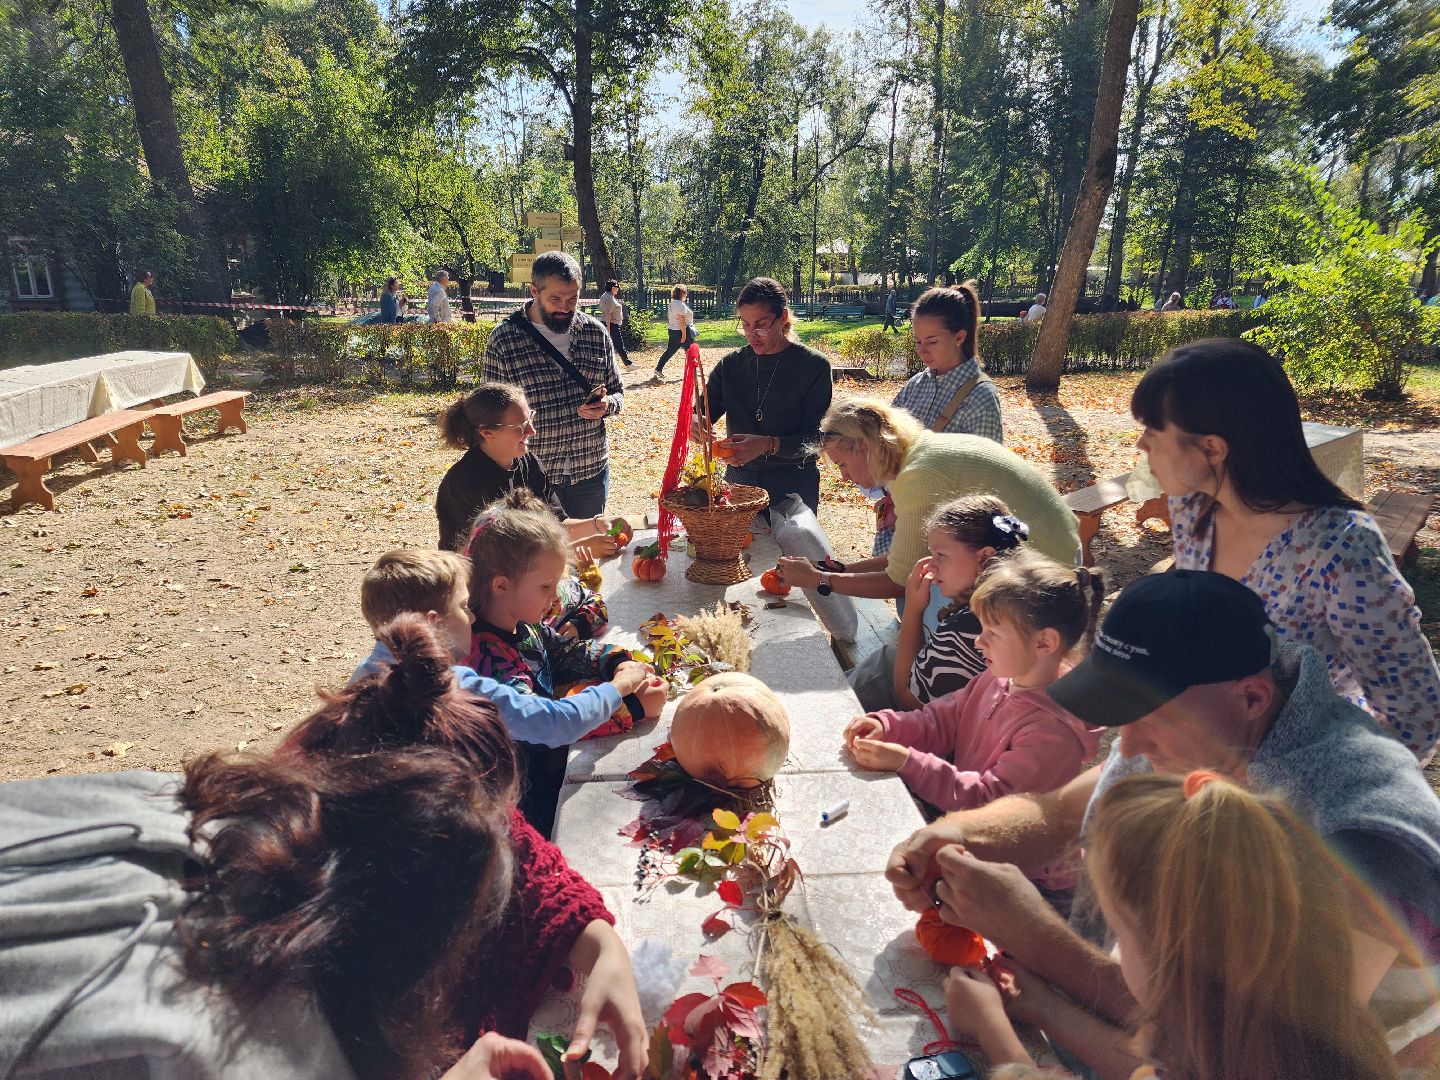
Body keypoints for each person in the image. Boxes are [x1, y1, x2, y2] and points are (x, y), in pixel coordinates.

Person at [885, 571, 1440, 1074]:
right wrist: (958, 834)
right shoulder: (1194, 726)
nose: (1129, 746)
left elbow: (1238, 1056)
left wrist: (1034, 937)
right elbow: (1056, 812)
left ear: (1251, 697)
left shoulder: (1362, 832)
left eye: (1147, 719)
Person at [271, 616, 650, 1079]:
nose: (500, 838)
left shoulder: (447, 816)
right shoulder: (295, 980)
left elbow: (537, 873)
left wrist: (602, 946)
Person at [946, 772, 1401, 1080]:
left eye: (1120, 935)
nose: (1115, 954)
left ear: (1178, 966)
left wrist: (993, 1031)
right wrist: (1043, 1007)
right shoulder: (1295, 1035)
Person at [1132, 338, 1440, 761]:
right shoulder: (1192, 508)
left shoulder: (1341, 548)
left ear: (1213, 449)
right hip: (1205, 753)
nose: (1141, 447)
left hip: (1298, 781)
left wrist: (1323, 784)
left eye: (1152, 432)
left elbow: (1415, 716)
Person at [844, 550, 1103, 904]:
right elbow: (940, 720)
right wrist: (886, 725)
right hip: (972, 832)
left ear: (1044, 643)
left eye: (992, 633)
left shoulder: (1053, 732)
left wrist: (906, 761)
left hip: (1028, 881)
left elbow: (988, 803)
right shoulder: (999, 678)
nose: (979, 642)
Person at [353, 549, 656, 760]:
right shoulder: (455, 685)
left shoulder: (362, 679)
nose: (472, 618)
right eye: (463, 607)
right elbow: (555, 723)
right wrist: (620, 689)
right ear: (433, 623)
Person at [482, 251, 623, 518]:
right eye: (555, 299)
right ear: (534, 290)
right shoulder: (505, 340)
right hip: (532, 477)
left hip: (590, 472)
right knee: (539, 558)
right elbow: (487, 413)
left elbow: (618, 392)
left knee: (588, 556)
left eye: (573, 298)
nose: (565, 307)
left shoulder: (595, 333)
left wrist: (607, 405)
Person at [434, 382, 626, 564]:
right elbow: (491, 563)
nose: (532, 430)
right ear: (487, 433)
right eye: (520, 426)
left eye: (530, 419)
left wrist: (598, 523)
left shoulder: (528, 462)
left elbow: (555, 524)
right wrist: (575, 551)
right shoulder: (463, 485)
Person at [694, 276, 832, 513]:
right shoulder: (731, 365)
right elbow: (700, 410)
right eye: (745, 324)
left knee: (791, 551)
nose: (751, 333)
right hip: (739, 480)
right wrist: (695, 421)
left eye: (761, 324)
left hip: (794, 483)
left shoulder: (813, 366)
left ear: (783, 317)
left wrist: (769, 445)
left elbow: (816, 440)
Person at [893, 496, 1030, 711]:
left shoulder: (963, 632)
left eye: (941, 555)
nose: (931, 566)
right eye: (931, 554)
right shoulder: (1023, 597)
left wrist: (912, 609)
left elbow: (909, 699)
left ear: (985, 557)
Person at [654, 284, 695, 379]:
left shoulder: (672, 303)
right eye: (685, 292)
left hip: (673, 330)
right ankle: (691, 372)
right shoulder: (680, 305)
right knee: (690, 351)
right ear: (681, 293)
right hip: (681, 331)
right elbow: (681, 321)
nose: (686, 294)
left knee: (670, 350)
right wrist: (684, 335)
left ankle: (658, 368)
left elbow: (670, 317)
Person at [599, 278, 633, 367]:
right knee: (619, 344)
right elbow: (608, 314)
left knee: (611, 345)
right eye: (617, 286)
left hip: (611, 324)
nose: (618, 288)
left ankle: (605, 364)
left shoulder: (608, 296)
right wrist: (609, 329)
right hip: (611, 324)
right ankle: (628, 364)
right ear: (612, 287)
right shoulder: (609, 298)